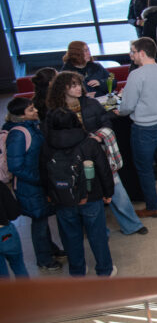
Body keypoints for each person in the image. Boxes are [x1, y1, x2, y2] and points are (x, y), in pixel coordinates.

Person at [39, 108, 115, 277]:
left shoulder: (46, 146)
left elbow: (44, 174)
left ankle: (77, 271)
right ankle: (105, 270)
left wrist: (50, 194)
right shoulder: (89, 143)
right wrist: (108, 192)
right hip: (91, 196)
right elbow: (104, 170)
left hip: (62, 199)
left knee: (71, 238)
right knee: (97, 235)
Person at [118, 38, 157, 219]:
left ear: (142, 53)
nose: (131, 55)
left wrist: (119, 110)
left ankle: (153, 207)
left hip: (144, 128)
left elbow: (127, 106)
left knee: (145, 169)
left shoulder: (136, 75)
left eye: (133, 52)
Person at [4, 98, 64, 272]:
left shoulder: (32, 127)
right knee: (39, 221)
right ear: (21, 115)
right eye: (31, 110)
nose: (36, 111)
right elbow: (16, 166)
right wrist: (40, 178)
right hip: (30, 186)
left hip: (37, 183)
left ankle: (51, 250)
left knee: (43, 219)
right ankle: (44, 260)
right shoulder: (19, 134)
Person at [45, 72, 110, 135]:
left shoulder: (92, 103)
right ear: (63, 88)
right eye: (74, 86)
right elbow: (55, 135)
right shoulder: (56, 110)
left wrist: (99, 137)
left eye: (79, 85)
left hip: (96, 141)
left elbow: (106, 123)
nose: (79, 88)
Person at [0, 182, 27, 278]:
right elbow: (13, 213)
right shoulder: (1, 186)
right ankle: (28, 292)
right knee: (18, 265)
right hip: (5, 233)